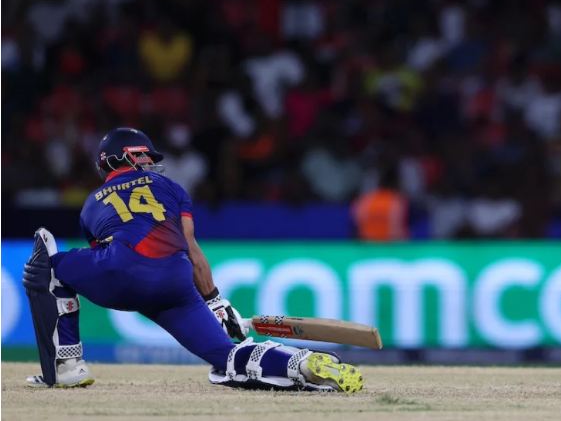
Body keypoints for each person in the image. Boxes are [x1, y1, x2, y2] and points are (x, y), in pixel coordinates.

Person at [23, 127, 364, 392]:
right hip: (175, 282)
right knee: (226, 357)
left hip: (121, 272)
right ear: (124, 157)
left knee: (50, 266)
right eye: (143, 156)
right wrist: (216, 302)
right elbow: (191, 249)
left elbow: (104, 260)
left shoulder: (92, 202)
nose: (149, 162)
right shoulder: (172, 188)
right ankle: (299, 363)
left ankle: (67, 366)